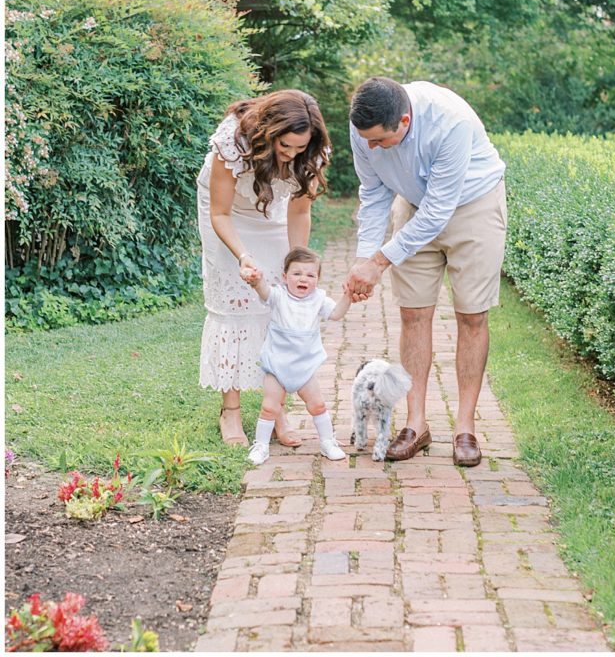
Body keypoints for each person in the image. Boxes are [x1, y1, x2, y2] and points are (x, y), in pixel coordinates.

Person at [345, 77, 507, 466]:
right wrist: (365, 259)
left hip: (474, 205)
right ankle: (416, 424)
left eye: (380, 141)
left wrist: (380, 262)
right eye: (366, 139)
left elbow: (438, 211)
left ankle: (465, 427)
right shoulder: (363, 126)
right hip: (414, 206)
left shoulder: (450, 122)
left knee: (471, 316)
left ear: (404, 121)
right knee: (413, 313)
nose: (371, 147)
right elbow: (373, 193)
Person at [197, 89, 331, 447]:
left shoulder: (309, 153)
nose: (291, 154)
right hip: (225, 216)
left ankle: (275, 410)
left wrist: (295, 266)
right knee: (235, 306)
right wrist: (243, 256)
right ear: (267, 132)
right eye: (284, 146)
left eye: (298, 148)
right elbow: (219, 213)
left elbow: (299, 213)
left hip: (270, 211)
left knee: (277, 306)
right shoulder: (233, 142)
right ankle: (231, 411)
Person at [241, 246, 352, 465]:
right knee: (270, 407)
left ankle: (328, 441)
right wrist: (256, 282)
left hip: (304, 367)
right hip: (277, 365)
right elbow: (264, 291)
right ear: (285, 277)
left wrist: (348, 296)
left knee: (318, 405)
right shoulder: (278, 296)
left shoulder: (318, 299)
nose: (304, 279)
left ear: (318, 279)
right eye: (297, 273)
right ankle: (260, 445)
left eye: (311, 275)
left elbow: (336, 313)